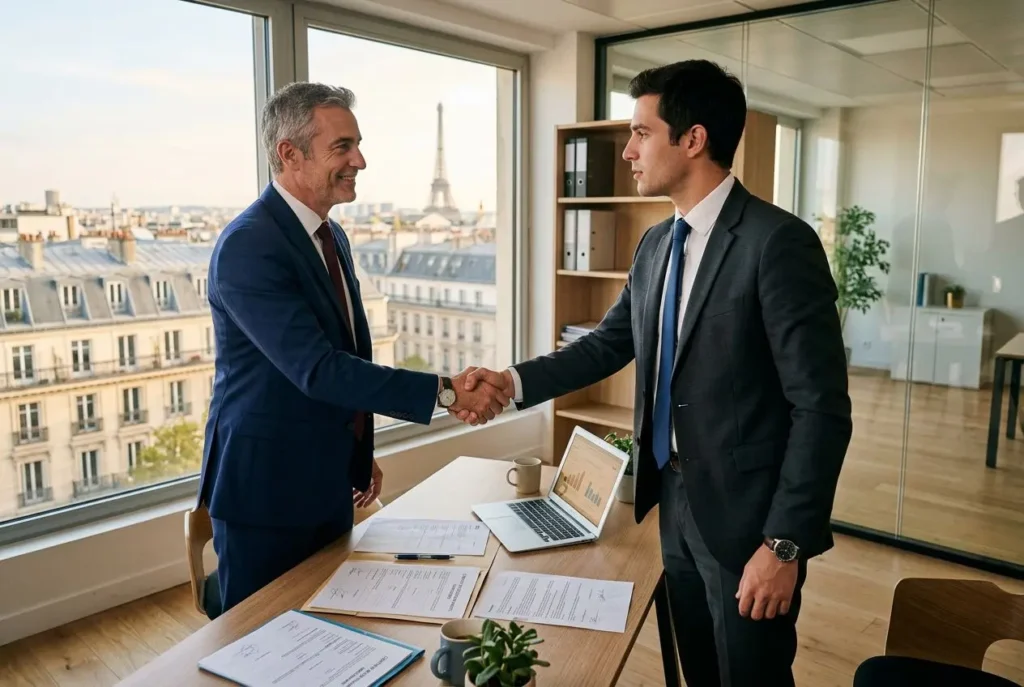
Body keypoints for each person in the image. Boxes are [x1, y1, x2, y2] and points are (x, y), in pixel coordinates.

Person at [457, 60, 852, 686]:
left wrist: (785, 545)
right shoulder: (656, 245)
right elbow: (608, 345)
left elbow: (822, 409)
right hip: (672, 499)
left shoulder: (779, 243)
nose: (629, 152)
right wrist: (512, 382)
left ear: (692, 139)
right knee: (699, 669)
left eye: (641, 133)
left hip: (751, 520)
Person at [198, 81, 509, 615]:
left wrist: (357, 450)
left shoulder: (330, 235)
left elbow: (348, 355)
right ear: (288, 154)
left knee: (328, 629)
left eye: (357, 144)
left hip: (327, 478)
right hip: (267, 492)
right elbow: (318, 370)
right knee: (262, 644)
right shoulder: (249, 246)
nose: (360, 160)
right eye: (342, 147)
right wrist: (446, 391)